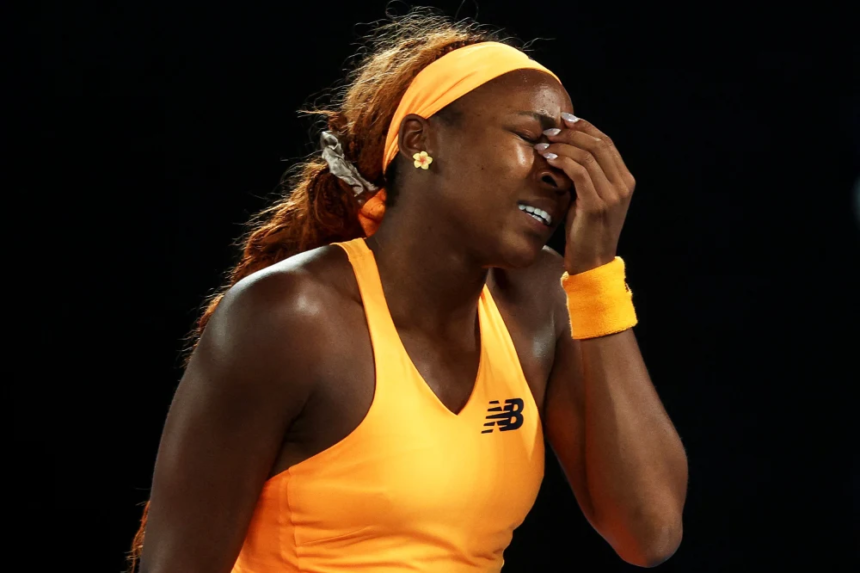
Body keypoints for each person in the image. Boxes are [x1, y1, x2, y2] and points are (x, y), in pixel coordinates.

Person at [130, 9, 688, 573]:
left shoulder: (542, 299)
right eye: (530, 136)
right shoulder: (292, 316)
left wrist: (595, 274)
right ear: (422, 142)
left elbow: (650, 532)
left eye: (568, 148)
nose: (559, 170)